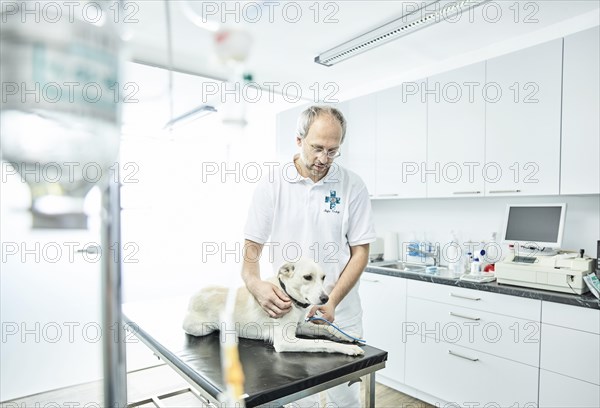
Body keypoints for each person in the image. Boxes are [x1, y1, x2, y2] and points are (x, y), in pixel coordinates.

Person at [242, 105, 376, 407]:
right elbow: (252, 246)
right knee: (299, 398)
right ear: (299, 140)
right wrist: (254, 283)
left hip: (339, 312)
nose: (323, 159)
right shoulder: (273, 184)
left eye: (333, 151)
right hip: (289, 312)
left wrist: (333, 301)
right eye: (317, 148)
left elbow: (360, 252)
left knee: (346, 395)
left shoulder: (352, 185)